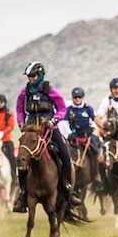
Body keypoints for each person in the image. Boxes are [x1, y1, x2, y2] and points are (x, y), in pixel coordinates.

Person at [13, 61, 82, 213]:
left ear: (40, 76)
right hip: (31, 131)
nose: (30, 78)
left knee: (64, 154)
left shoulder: (51, 91)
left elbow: (62, 109)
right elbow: (19, 110)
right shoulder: (24, 94)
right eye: (29, 76)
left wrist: (53, 120)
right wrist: (21, 124)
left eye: (33, 76)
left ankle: (68, 189)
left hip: (49, 130)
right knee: (21, 158)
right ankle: (23, 193)